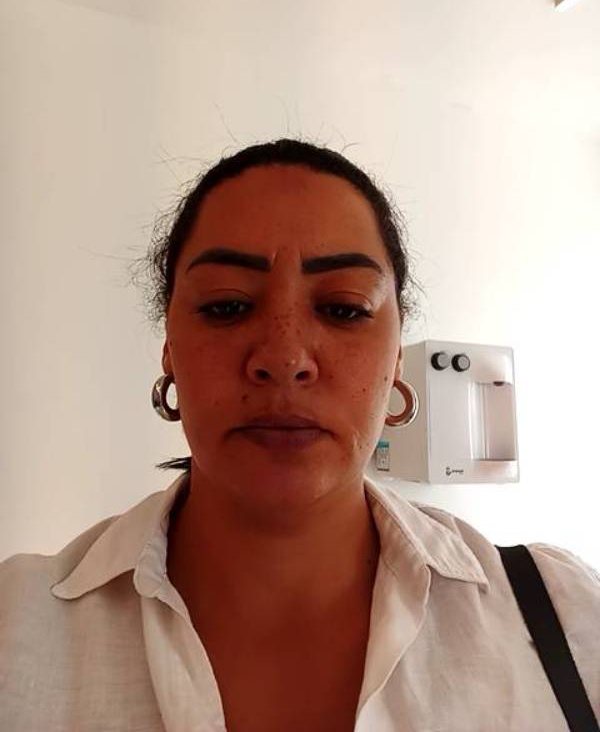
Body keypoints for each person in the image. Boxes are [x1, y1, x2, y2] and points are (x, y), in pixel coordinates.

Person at [1, 138, 599, 732]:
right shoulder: (16, 625)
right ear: (169, 351)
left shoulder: (565, 619)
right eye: (227, 306)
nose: (285, 358)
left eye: (344, 309)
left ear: (396, 358)